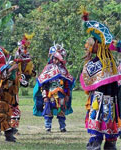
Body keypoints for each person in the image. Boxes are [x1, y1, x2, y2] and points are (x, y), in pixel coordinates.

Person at [80, 9, 121, 150]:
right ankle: (110, 143)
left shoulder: (95, 63)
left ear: (97, 45)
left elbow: (87, 83)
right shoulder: (111, 63)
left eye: (90, 44)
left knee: (98, 114)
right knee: (111, 116)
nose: (87, 47)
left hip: (100, 99)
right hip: (112, 98)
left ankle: (95, 143)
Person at [33, 42, 74, 133]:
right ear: (52, 58)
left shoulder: (63, 69)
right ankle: (48, 127)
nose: (57, 60)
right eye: (55, 58)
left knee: (61, 111)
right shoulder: (48, 68)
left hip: (61, 94)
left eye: (58, 58)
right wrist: (45, 96)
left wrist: (67, 94)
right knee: (48, 110)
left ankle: (62, 127)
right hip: (50, 94)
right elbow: (43, 83)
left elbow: (67, 83)